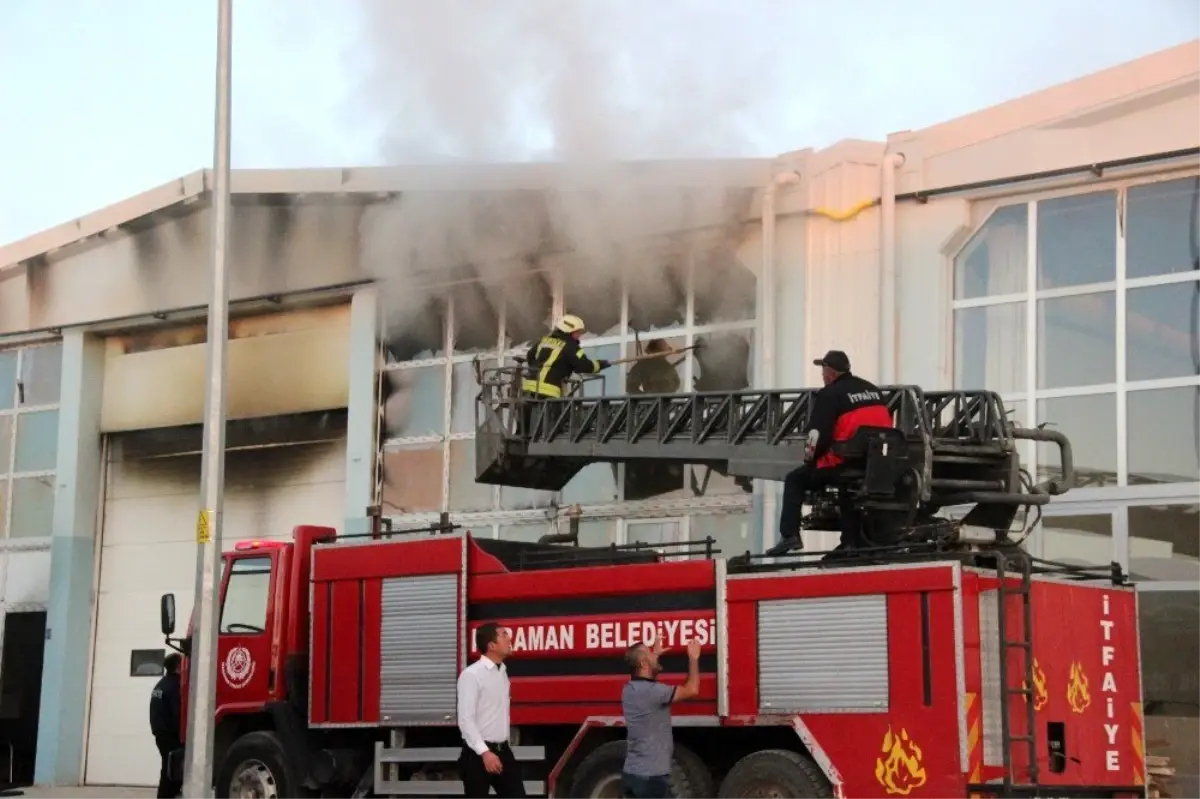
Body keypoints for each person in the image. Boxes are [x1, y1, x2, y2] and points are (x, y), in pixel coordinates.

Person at [768, 350, 894, 556]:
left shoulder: (830, 394)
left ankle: (789, 535)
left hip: (844, 460)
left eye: (823, 370)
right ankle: (851, 542)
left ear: (832, 373)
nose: (822, 375)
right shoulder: (873, 390)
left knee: (795, 479)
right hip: (874, 462)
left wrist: (810, 460)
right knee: (848, 487)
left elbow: (818, 436)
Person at [620, 637, 702, 799]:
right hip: (650, 778)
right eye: (650, 652)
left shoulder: (630, 689)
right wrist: (693, 658)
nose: (654, 654)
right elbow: (692, 689)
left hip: (634, 773)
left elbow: (646, 675)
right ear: (643, 664)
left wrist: (653, 656)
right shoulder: (653, 692)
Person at [457, 623, 525, 799]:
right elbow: (466, 719)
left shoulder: (502, 671)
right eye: (504, 635)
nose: (509, 639)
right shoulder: (472, 675)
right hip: (477, 756)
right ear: (491, 645)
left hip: (502, 752)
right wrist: (485, 753)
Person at [521, 314, 613, 399]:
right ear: (569, 331)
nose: (579, 335)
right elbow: (584, 366)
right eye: (578, 332)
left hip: (528, 390)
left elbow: (530, 356)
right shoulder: (570, 346)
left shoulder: (544, 341)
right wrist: (601, 364)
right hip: (548, 393)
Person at [149, 653, 183, 799]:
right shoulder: (176, 685)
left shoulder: (161, 684)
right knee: (173, 770)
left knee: (167, 767)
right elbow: (178, 712)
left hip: (160, 732)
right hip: (170, 734)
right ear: (178, 666)